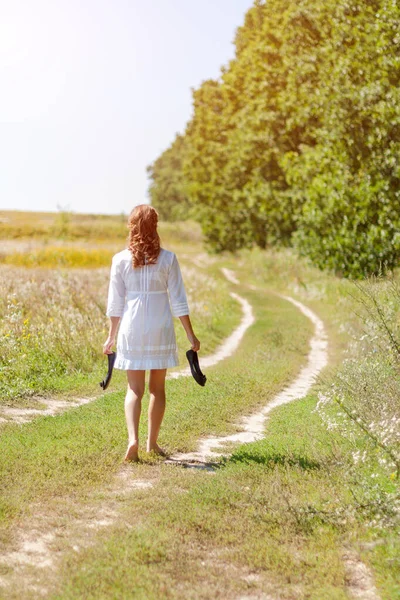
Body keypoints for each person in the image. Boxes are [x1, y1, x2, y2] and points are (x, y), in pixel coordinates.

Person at [103, 204, 200, 462]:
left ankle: (132, 440)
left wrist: (111, 336)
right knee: (157, 389)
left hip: (131, 326)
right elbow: (179, 301)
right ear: (155, 226)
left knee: (134, 390)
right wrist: (191, 335)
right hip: (159, 326)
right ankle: (152, 444)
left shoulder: (119, 259)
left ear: (131, 226)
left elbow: (115, 304)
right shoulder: (168, 259)